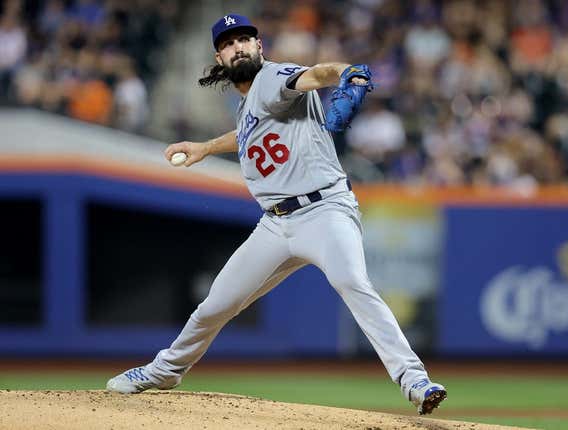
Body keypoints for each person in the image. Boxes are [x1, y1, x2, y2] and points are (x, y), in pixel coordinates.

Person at [106, 13, 447, 415]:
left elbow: (318, 73)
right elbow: (250, 131)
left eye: (245, 39)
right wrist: (205, 146)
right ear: (220, 56)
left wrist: (347, 73)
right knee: (215, 305)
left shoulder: (272, 77)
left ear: (259, 46)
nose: (239, 47)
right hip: (276, 223)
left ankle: (413, 378)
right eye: (230, 43)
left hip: (324, 211)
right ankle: (166, 370)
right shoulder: (251, 101)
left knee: (352, 282)